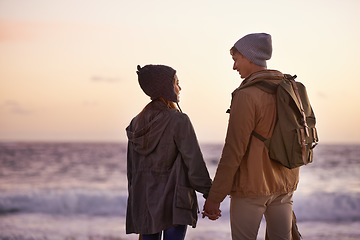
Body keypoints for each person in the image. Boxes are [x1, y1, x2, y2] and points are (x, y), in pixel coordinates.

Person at [202, 33, 300, 239]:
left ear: (249, 56)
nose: (234, 66)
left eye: (236, 60)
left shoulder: (246, 95)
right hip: (285, 186)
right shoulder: (290, 89)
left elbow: (233, 151)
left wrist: (215, 197)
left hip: (251, 188)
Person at [126, 64, 212, 240]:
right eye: (176, 83)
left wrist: (136, 201)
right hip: (175, 203)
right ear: (167, 88)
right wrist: (210, 194)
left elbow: (132, 172)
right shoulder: (178, 120)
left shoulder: (136, 123)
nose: (180, 88)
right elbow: (194, 164)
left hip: (145, 203)